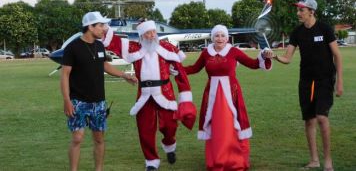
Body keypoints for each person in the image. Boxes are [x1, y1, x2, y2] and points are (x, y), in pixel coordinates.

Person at [102, 20, 197, 171]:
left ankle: (169, 145)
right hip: (144, 96)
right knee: (145, 130)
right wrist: (105, 28)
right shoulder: (134, 48)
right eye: (148, 33)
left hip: (165, 94)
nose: (152, 35)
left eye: (153, 32)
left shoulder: (166, 48)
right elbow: (114, 42)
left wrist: (185, 97)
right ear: (141, 36)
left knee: (170, 126)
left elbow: (180, 73)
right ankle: (151, 161)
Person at [183, 24, 273, 171]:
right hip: (212, 95)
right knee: (216, 125)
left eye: (223, 35)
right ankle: (216, 159)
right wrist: (178, 69)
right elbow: (194, 68)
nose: (220, 38)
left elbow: (253, 64)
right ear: (212, 37)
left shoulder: (234, 51)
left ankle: (236, 158)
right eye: (217, 35)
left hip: (231, 94)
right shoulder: (206, 53)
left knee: (233, 124)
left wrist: (263, 55)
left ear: (227, 38)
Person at [60, 11, 137, 171]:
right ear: (90, 26)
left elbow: (104, 65)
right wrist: (67, 101)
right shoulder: (72, 48)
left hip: (99, 102)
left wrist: (124, 75)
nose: (104, 29)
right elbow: (65, 74)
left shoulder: (100, 45)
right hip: (77, 101)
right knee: (77, 138)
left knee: (99, 139)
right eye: (101, 25)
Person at [273, 0, 343, 171]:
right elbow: (287, 58)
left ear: (311, 11)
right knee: (309, 120)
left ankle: (328, 161)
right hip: (305, 81)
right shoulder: (297, 32)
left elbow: (337, 55)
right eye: (298, 10)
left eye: (301, 10)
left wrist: (339, 81)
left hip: (325, 80)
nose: (298, 13)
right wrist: (273, 56)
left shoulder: (325, 29)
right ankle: (314, 160)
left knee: (321, 117)